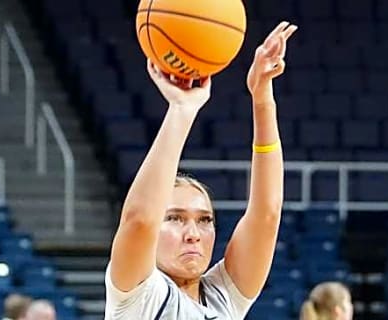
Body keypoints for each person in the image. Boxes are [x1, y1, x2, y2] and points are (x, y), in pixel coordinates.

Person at [104, 21, 298, 319]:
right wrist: (182, 109)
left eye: (204, 220)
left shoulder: (224, 298)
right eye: (175, 218)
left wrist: (262, 99)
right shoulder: (139, 295)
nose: (193, 234)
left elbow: (267, 213)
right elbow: (139, 219)